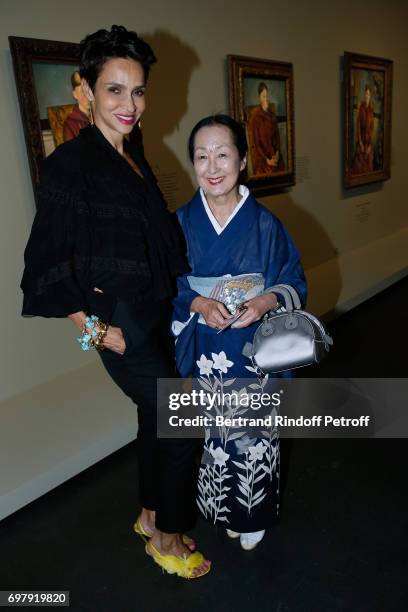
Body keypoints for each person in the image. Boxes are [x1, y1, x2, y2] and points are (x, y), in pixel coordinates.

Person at [20, 25, 210, 579]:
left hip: (149, 313)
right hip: (116, 323)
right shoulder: (69, 165)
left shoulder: (133, 153)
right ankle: (168, 537)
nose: (130, 105)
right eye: (115, 90)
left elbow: (149, 242)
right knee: (182, 418)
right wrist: (96, 333)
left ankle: (150, 514)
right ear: (87, 89)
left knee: (155, 418)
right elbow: (44, 268)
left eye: (139, 91)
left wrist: (187, 303)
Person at [172, 115, 306, 550]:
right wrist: (197, 302)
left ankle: (255, 513)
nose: (212, 167)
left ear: (243, 160)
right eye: (201, 156)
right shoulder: (181, 223)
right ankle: (224, 507)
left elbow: (293, 280)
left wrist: (263, 302)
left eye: (223, 154)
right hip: (208, 346)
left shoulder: (266, 224)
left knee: (254, 436)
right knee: (217, 435)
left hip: (253, 347)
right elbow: (166, 284)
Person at [249, 82, 284, 175]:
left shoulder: (272, 116)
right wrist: (267, 160)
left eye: (267, 96)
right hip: (263, 159)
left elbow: (276, 137)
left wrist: (276, 153)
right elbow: (256, 144)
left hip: (274, 155)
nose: (266, 99)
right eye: (264, 96)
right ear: (259, 98)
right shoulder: (256, 118)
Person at [352, 84, 375, 174]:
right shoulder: (361, 107)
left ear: (370, 96)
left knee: (369, 165)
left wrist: (370, 145)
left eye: (368, 94)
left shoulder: (371, 109)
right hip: (361, 141)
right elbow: (357, 126)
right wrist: (360, 142)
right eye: (366, 94)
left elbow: (372, 129)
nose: (367, 96)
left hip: (368, 141)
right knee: (359, 165)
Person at [63, 71, 91, 142]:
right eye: (82, 91)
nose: (87, 96)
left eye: (89, 90)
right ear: (75, 94)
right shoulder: (70, 124)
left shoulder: (100, 117)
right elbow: (71, 152)